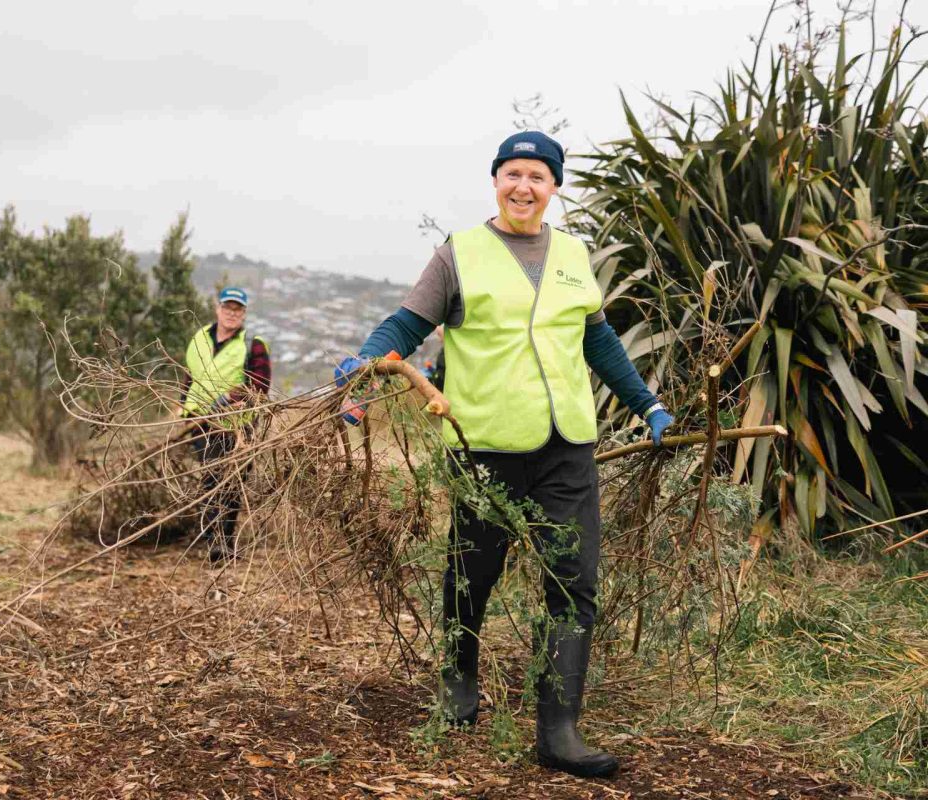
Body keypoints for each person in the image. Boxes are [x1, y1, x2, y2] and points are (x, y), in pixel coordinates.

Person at [335, 131, 674, 779]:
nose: (524, 186)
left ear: (554, 187)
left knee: (574, 585)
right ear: (496, 180)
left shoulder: (574, 254)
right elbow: (405, 326)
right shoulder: (459, 254)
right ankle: (460, 679)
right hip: (482, 445)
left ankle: (559, 732)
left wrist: (647, 405)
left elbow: (599, 343)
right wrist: (367, 364)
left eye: (537, 177)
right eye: (513, 173)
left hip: (566, 447)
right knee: (475, 571)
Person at [179, 287, 271, 562]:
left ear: (244, 314)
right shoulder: (199, 338)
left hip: (236, 427)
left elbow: (261, 385)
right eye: (227, 308)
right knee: (212, 481)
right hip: (201, 424)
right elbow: (190, 374)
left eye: (238, 309)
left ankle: (223, 543)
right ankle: (215, 543)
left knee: (231, 484)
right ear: (218, 309)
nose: (232, 314)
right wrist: (182, 404)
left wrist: (229, 397)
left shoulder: (253, 344)